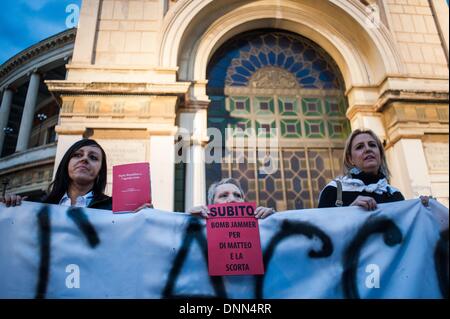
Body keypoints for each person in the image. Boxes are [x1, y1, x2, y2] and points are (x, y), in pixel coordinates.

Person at [1, 139, 152, 211]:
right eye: (77, 155)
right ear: (67, 163)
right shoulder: (35, 205)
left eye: (93, 158)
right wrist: (10, 206)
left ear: (100, 171)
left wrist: (142, 220)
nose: (84, 159)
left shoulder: (114, 209)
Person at [318, 129, 406, 210]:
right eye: (359, 147)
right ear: (350, 159)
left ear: (380, 154)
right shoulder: (333, 190)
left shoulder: (395, 194)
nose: (368, 149)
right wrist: (352, 211)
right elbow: (322, 225)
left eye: (372, 145)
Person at [188, 177, 275, 219]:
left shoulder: (260, 222)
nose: (232, 200)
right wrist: (189, 220)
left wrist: (272, 219)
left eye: (237, 195)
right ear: (211, 205)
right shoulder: (201, 226)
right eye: (224, 196)